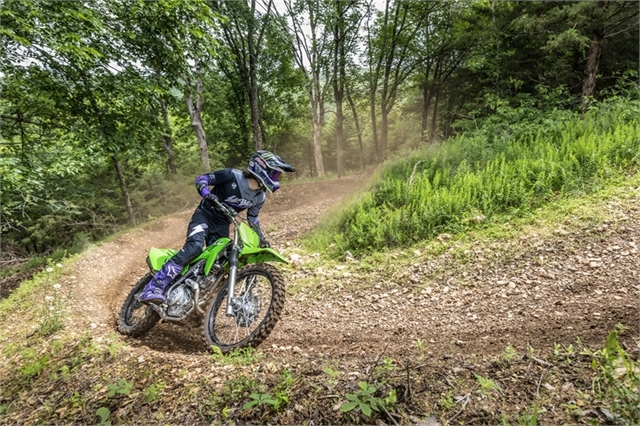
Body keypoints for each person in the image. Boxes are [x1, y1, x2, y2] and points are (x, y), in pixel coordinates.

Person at [138, 150, 295, 304]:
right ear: (261, 168)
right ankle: (154, 287)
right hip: (205, 215)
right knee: (194, 248)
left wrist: (261, 237)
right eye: (275, 174)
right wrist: (207, 194)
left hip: (223, 223)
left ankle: (193, 298)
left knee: (218, 263)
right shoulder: (231, 175)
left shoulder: (259, 197)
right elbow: (201, 179)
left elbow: (252, 218)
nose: (277, 178)